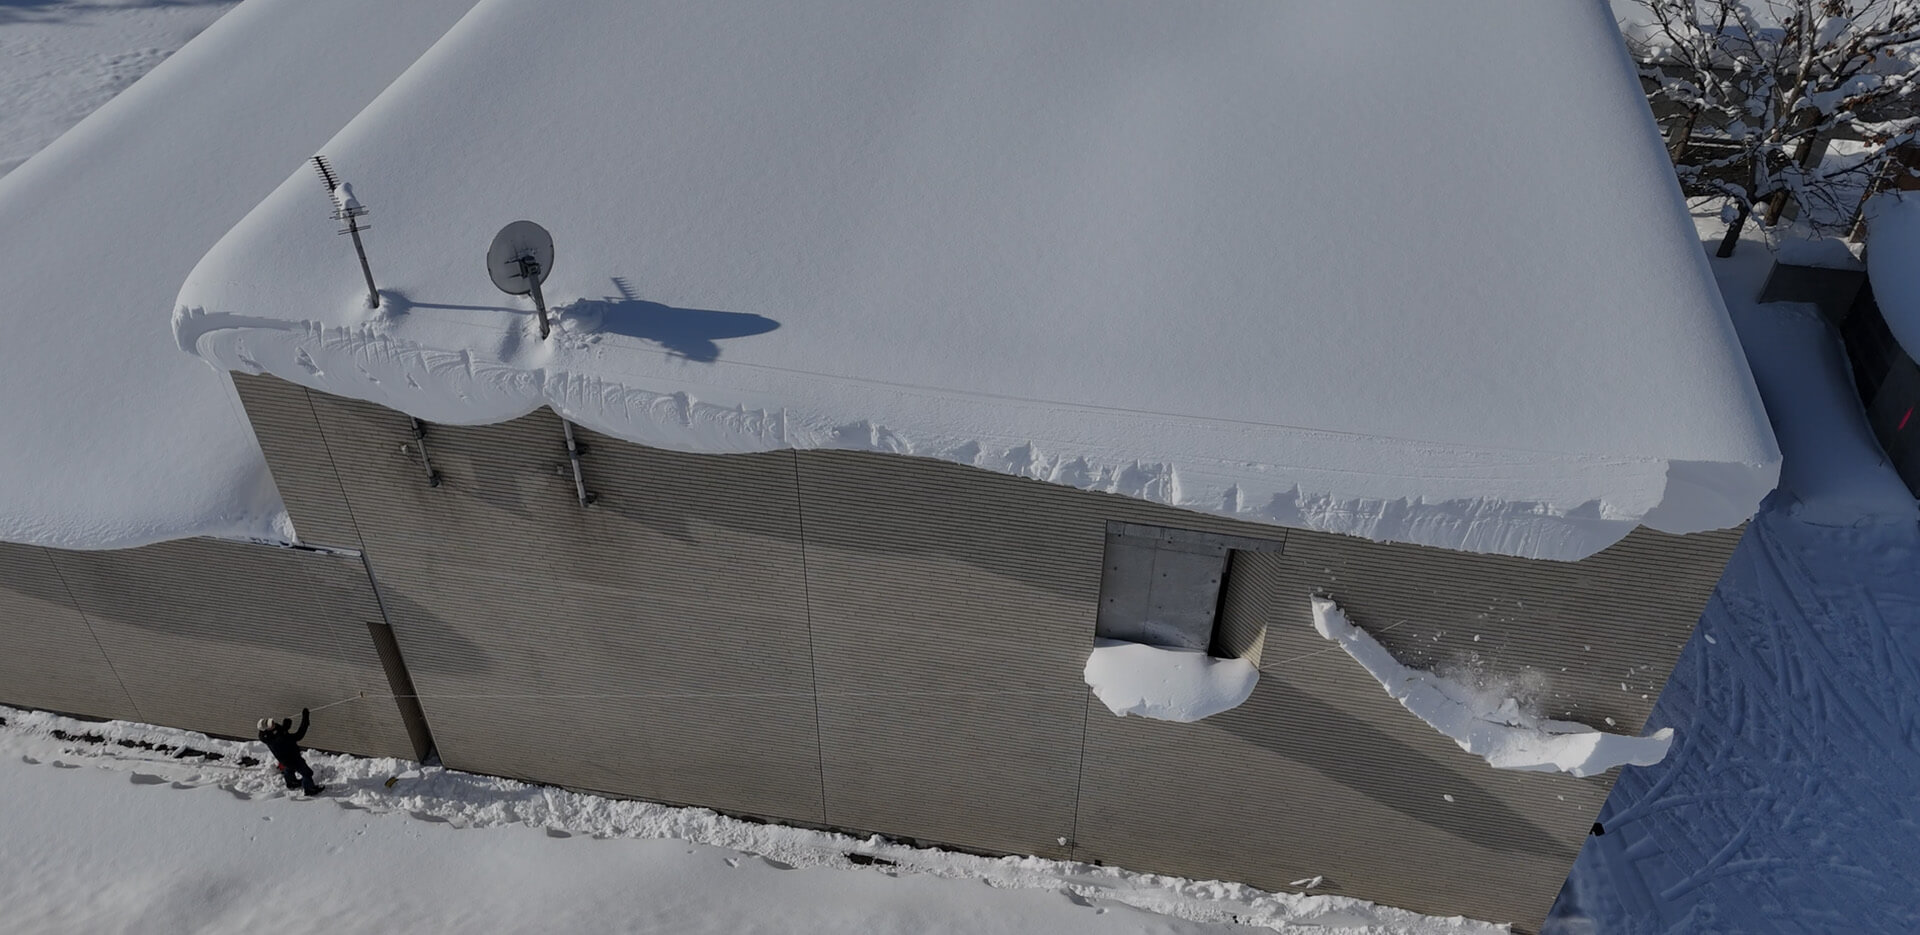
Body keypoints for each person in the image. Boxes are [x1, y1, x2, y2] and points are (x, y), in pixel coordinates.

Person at [257, 708, 324, 795]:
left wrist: (284, 728)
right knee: (307, 773)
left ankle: (291, 783)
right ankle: (309, 789)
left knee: (289, 769)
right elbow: (298, 735)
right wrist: (305, 719)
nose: (273, 723)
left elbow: (279, 732)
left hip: (284, 759)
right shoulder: (277, 739)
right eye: (270, 724)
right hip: (292, 758)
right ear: (267, 730)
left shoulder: (271, 734)